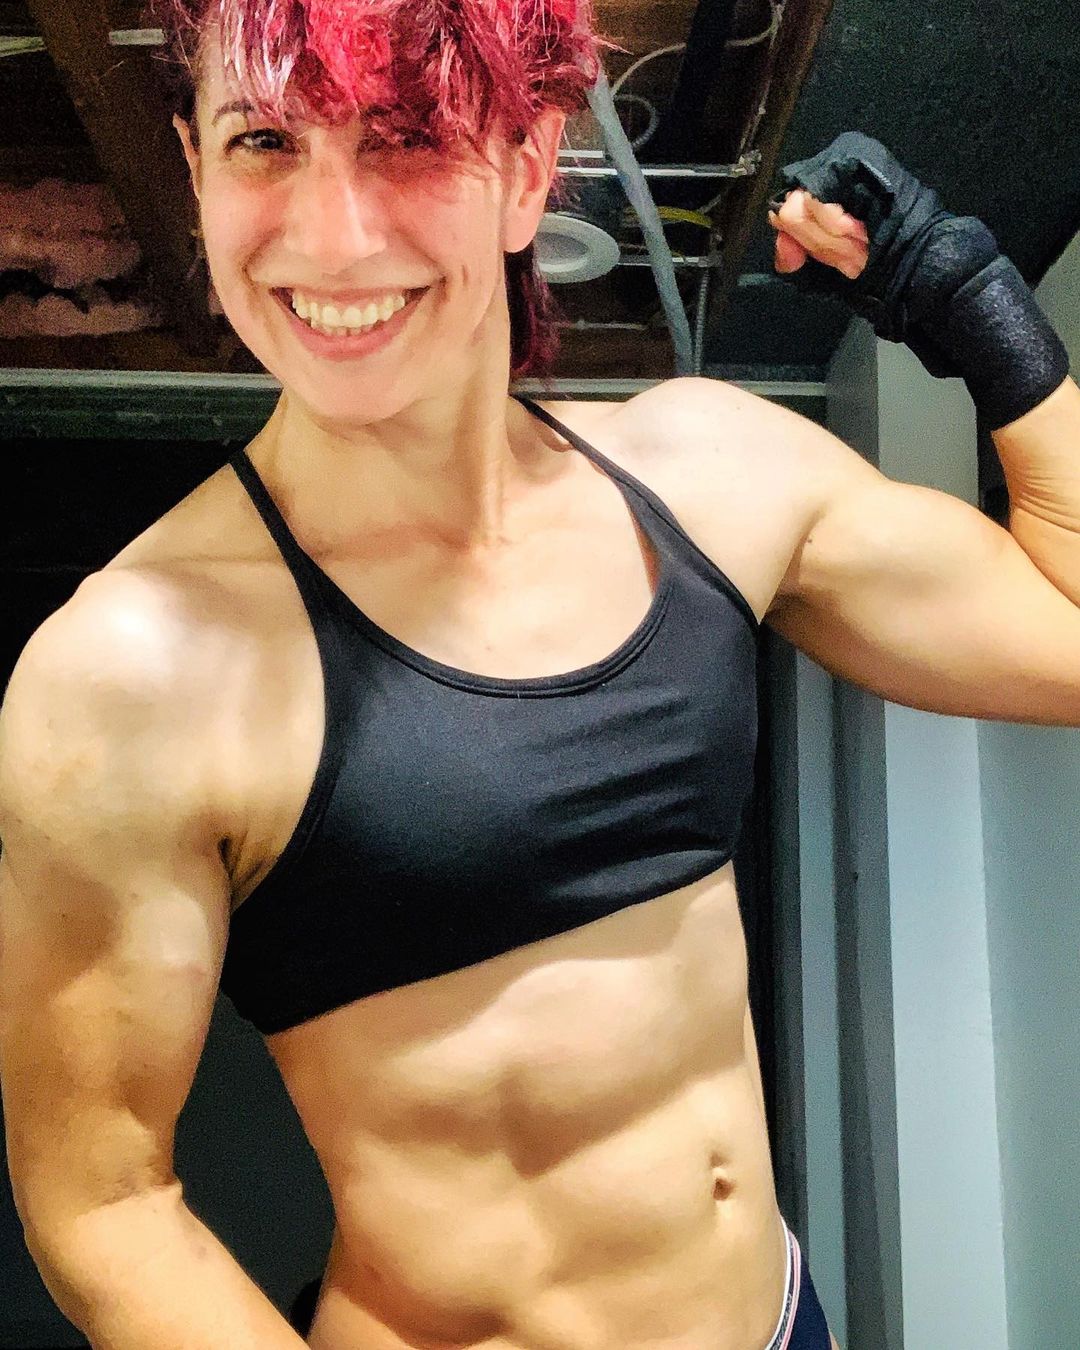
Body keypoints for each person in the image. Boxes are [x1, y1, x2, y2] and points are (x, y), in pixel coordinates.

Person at [0, 1, 1074, 1347]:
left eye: (406, 135)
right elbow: (102, 1205)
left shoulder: (712, 472)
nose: (332, 234)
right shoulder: (131, 672)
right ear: (195, 166)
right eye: (263, 140)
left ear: (526, 166)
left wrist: (972, 303)